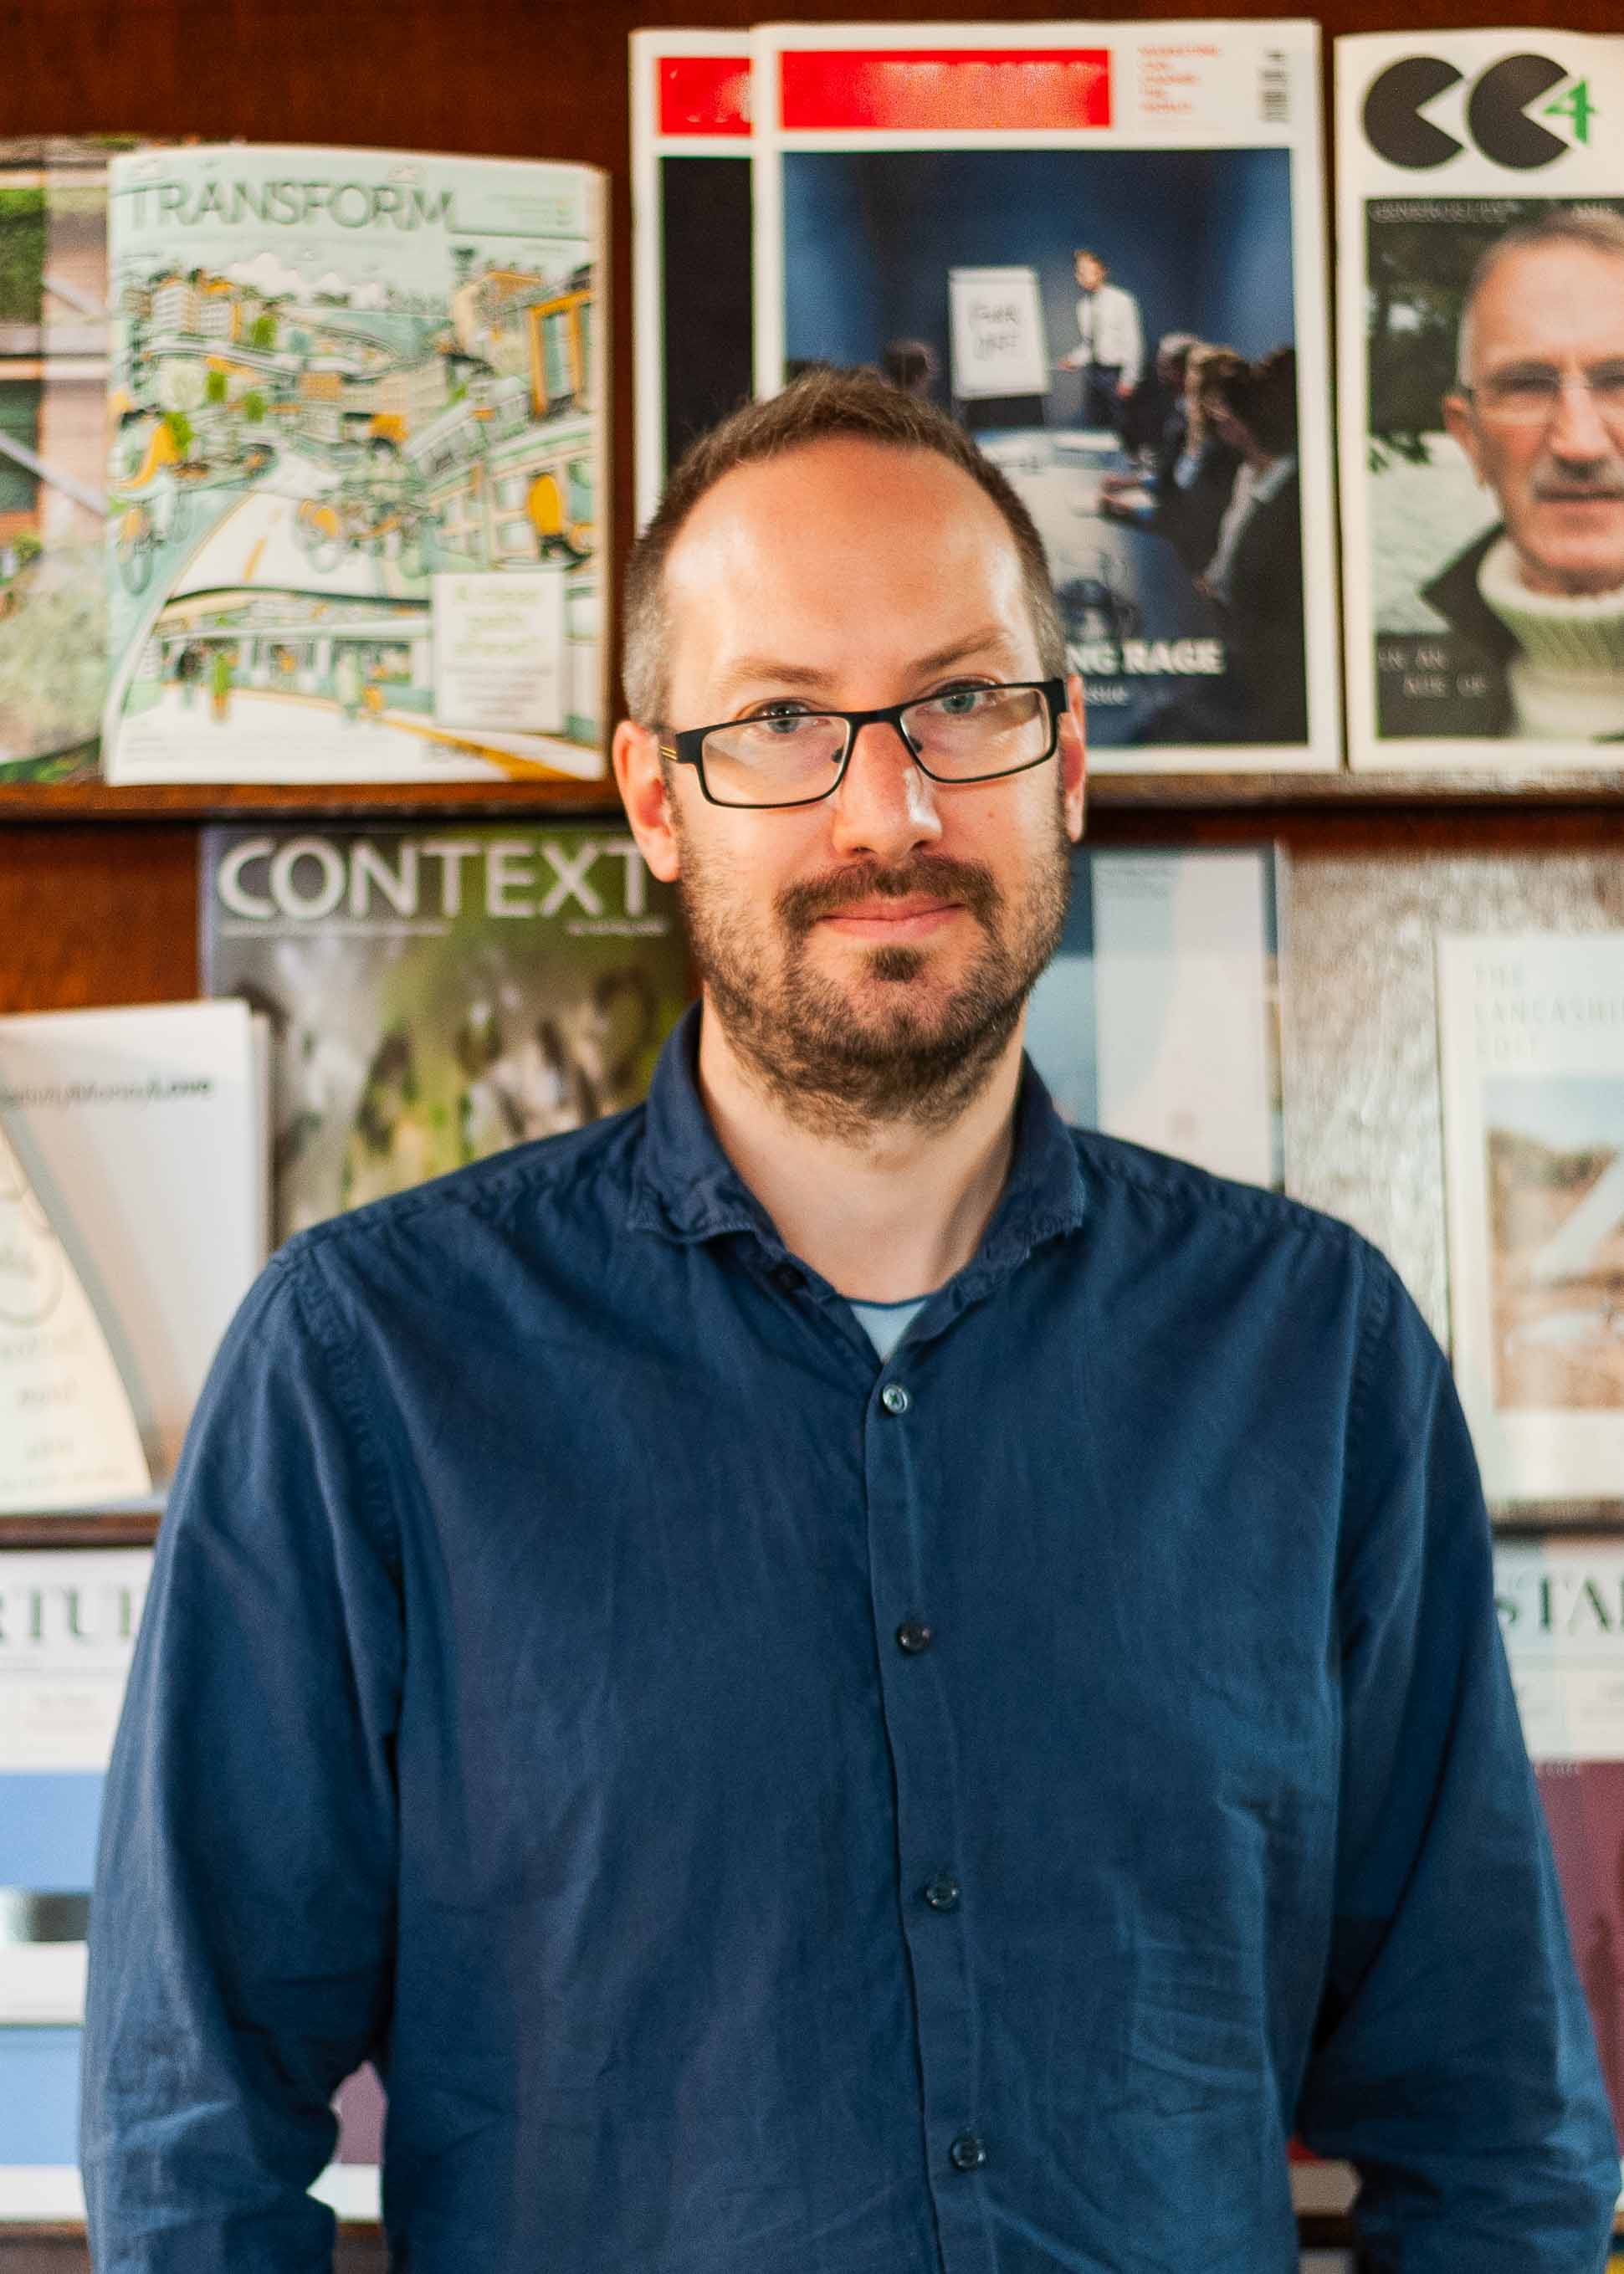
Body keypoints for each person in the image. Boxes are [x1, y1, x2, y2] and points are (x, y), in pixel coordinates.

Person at [83, 367, 1616, 2273]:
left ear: (1065, 756)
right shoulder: (367, 1369)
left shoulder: (1316, 1359)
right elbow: (191, 2146)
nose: (889, 809)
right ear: (657, 797)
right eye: (784, 719)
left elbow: (1496, 2133)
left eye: (961, 701)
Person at [1430, 207, 1624, 740]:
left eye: (1621, 382)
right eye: (1526, 386)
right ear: (1470, 438)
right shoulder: (1393, 686)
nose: (1579, 443)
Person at [1055, 248, 1142, 433]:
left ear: (1102, 271)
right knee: (1096, 425)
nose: (1084, 276)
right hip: (1094, 374)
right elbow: (1090, 345)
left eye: (1089, 270)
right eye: (1080, 272)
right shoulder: (1083, 307)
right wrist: (1074, 360)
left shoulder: (1122, 301)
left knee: (1121, 426)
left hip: (1116, 373)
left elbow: (1133, 342)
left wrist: (1129, 380)